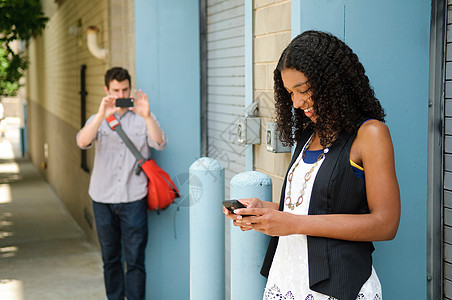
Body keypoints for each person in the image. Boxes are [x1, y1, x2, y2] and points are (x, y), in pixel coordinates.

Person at [223, 31, 400, 300]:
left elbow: (385, 224)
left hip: (338, 287)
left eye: (303, 90)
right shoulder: (308, 136)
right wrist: (265, 211)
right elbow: (307, 209)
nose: (296, 102)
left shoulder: (370, 135)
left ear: (332, 82)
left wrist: (293, 223)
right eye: (290, 93)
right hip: (287, 279)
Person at [76, 67, 167, 300]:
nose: (121, 93)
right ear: (107, 90)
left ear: (130, 88)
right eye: (116, 90)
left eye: (125, 89)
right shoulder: (98, 119)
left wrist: (147, 116)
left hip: (133, 199)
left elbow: (159, 143)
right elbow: (82, 141)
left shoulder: (142, 115)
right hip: (102, 199)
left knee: (135, 260)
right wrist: (100, 114)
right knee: (110, 259)